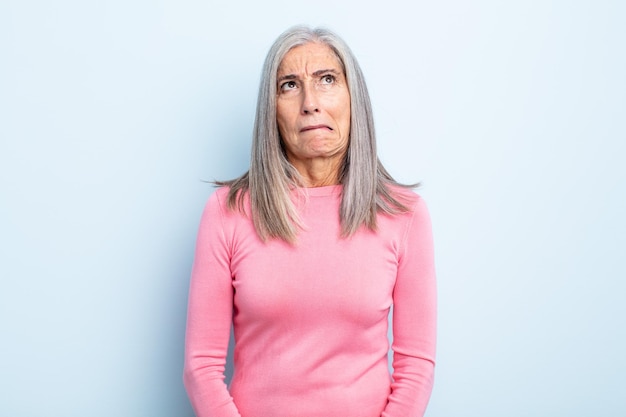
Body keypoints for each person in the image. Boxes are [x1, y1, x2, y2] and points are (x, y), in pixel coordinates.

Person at [183, 25, 436, 417]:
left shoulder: (405, 215)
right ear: (272, 110)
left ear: (354, 99)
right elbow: (201, 368)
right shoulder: (227, 211)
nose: (310, 103)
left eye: (327, 80)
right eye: (289, 85)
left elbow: (416, 367)